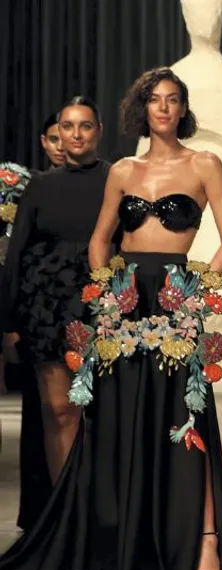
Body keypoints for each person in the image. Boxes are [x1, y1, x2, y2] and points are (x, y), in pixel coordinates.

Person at [0, 67, 222, 570]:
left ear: (183, 108)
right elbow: (100, 238)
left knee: (186, 415)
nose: (163, 108)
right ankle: (123, 545)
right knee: (124, 416)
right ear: (142, 108)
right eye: (154, 100)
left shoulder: (204, 163)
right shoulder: (123, 171)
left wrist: (198, 290)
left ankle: (204, 544)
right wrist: (108, 290)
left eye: (173, 99)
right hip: (125, 300)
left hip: (177, 295)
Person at [1, 98, 119, 534]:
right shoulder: (40, 186)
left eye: (84, 126)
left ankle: (102, 517)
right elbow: (16, 256)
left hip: (102, 305)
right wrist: (9, 324)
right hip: (45, 308)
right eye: (67, 127)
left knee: (102, 413)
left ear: (99, 130)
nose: (75, 134)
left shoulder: (116, 180)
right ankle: (67, 519)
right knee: (58, 411)